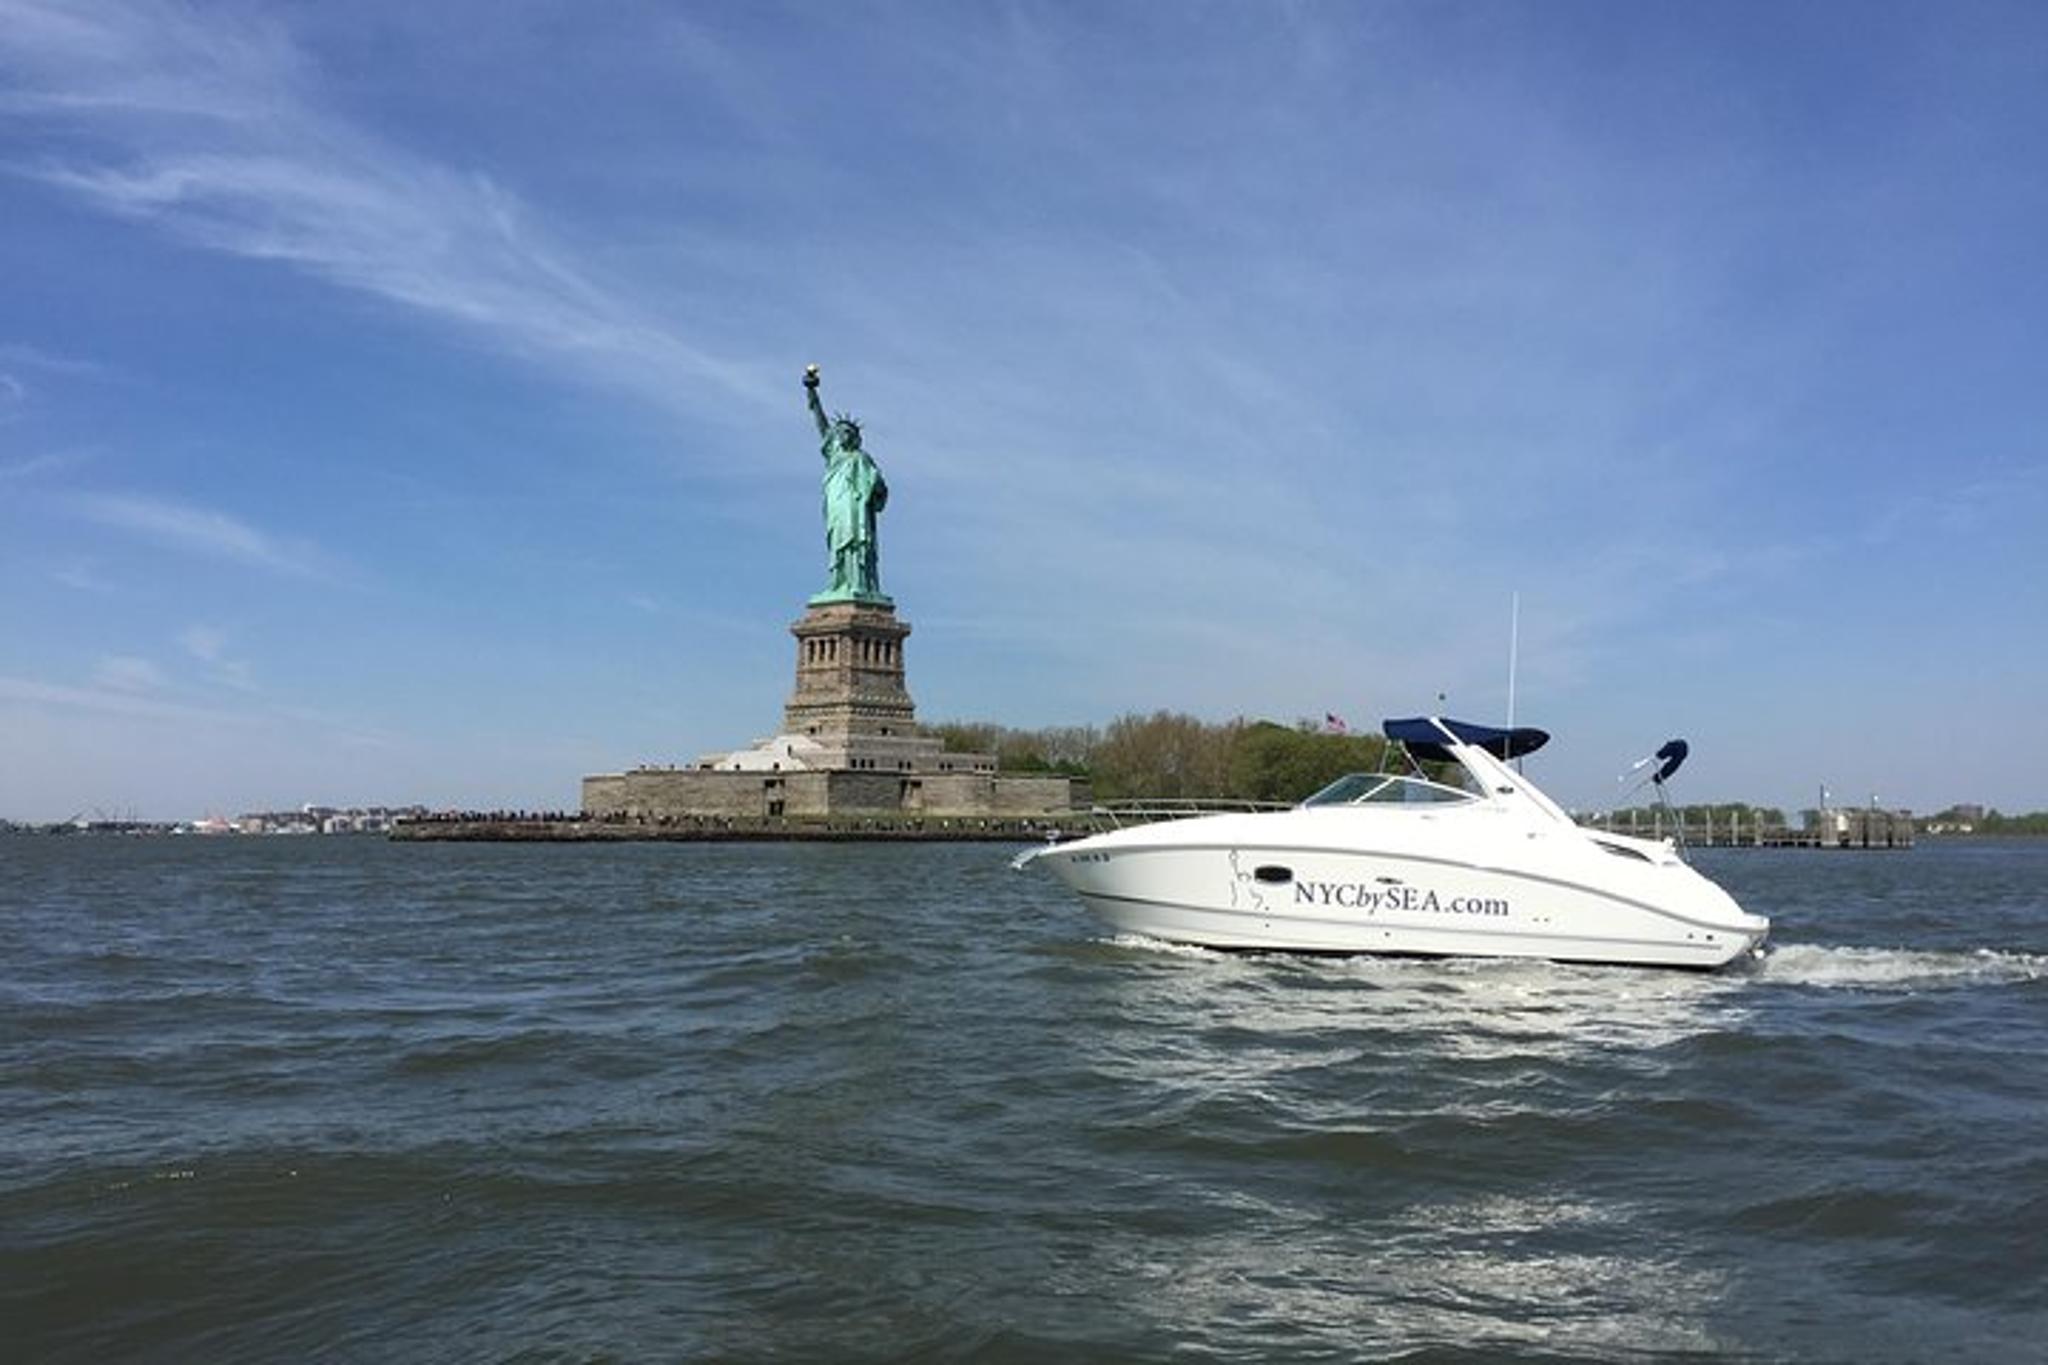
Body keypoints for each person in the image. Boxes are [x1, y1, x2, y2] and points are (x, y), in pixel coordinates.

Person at [804, 366, 888, 602]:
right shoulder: (835, 455)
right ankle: (839, 582)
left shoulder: (862, 459)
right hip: (837, 505)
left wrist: (875, 487)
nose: (843, 434)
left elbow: (880, 488)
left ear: (856, 437)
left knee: (859, 543)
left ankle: (861, 583)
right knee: (838, 543)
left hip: (856, 508)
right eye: (840, 431)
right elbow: (820, 422)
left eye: (848, 431)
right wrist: (812, 394)